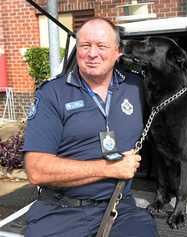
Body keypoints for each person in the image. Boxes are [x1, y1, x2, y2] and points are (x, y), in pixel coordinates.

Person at [22, 17, 158, 237]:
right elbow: (36, 169)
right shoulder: (52, 94)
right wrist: (109, 168)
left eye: (102, 46)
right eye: (85, 45)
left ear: (118, 52)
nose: (92, 53)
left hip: (119, 207)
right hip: (61, 211)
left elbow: (178, 104)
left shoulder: (136, 87)